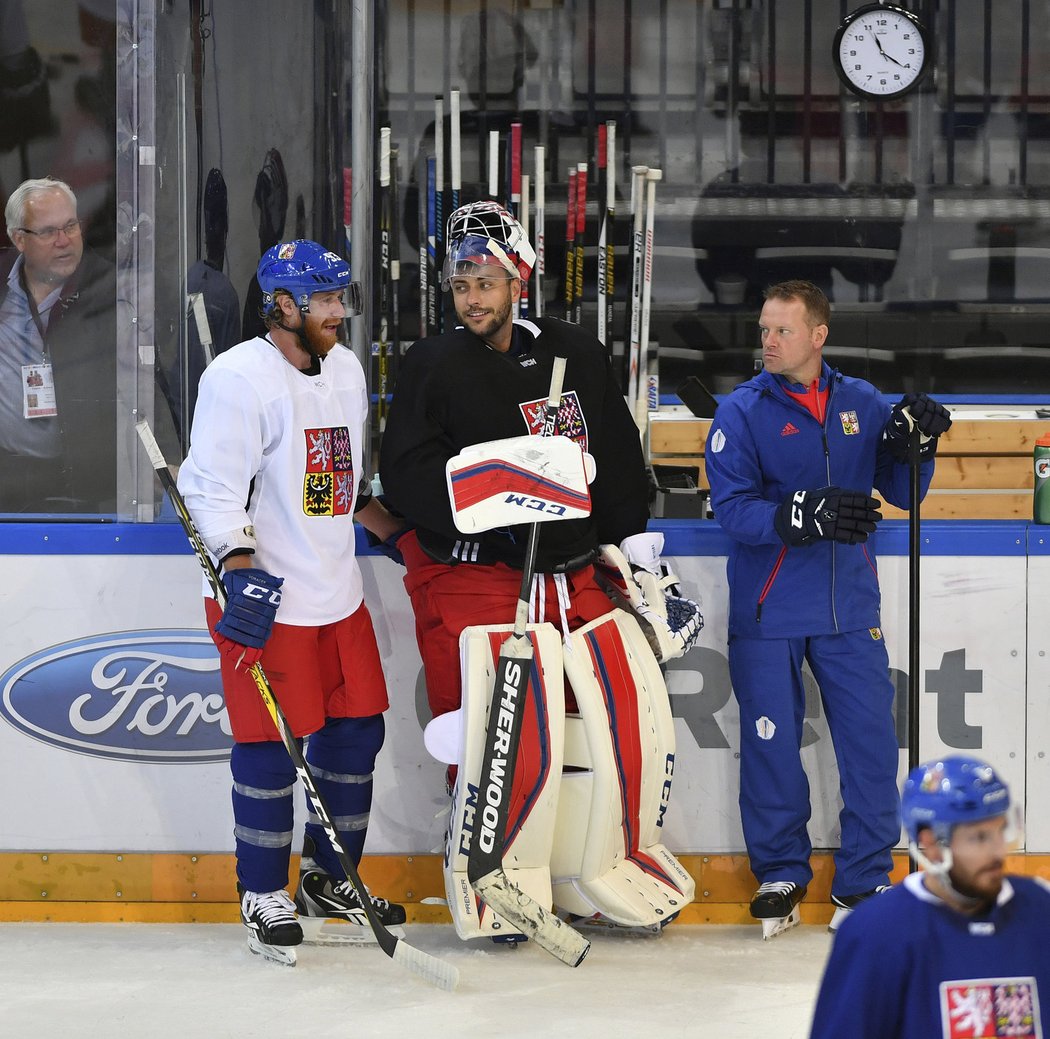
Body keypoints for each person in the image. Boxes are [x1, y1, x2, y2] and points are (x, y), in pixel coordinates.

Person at [379, 200, 701, 940]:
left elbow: (617, 460)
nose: (473, 298)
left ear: (517, 277)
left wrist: (637, 547)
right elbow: (408, 477)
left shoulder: (574, 352)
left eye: (486, 281)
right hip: (482, 578)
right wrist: (500, 488)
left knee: (609, 721)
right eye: (461, 284)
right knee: (498, 729)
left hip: (576, 573)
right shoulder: (433, 364)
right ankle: (495, 873)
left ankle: (592, 867)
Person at [177, 240, 408, 965]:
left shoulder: (343, 369)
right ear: (283, 305)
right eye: (326, 301)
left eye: (343, 297)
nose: (340, 312)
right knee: (272, 751)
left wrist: (391, 529)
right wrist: (240, 569)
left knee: (354, 736)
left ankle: (328, 877)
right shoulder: (239, 378)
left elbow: (340, 480)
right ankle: (262, 893)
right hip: (266, 598)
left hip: (336, 591)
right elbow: (209, 488)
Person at [704, 279, 953, 938]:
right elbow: (732, 509)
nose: (768, 341)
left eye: (782, 330)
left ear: (819, 335)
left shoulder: (862, 402)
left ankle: (867, 876)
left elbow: (902, 492)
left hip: (848, 606)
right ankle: (782, 868)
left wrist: (914, 445)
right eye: (763, 329)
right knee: (771, 746)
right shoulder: (742, 411)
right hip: (769, 607)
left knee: (871, 743)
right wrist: (801, 510)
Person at [809, 755, 1050, 1038]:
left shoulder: (1039, 910)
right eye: (979, 838)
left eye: (1000, 831)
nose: (998, 852)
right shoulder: (874, 933)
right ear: (931, 844)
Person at [0, 176, 116, 513]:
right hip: (8, 476)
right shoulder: (4, 290)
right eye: (48, 232)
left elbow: (146, 382)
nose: (64, 241)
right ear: (18, 239)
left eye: (71, 226)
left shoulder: (110, 291)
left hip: (86, 484)